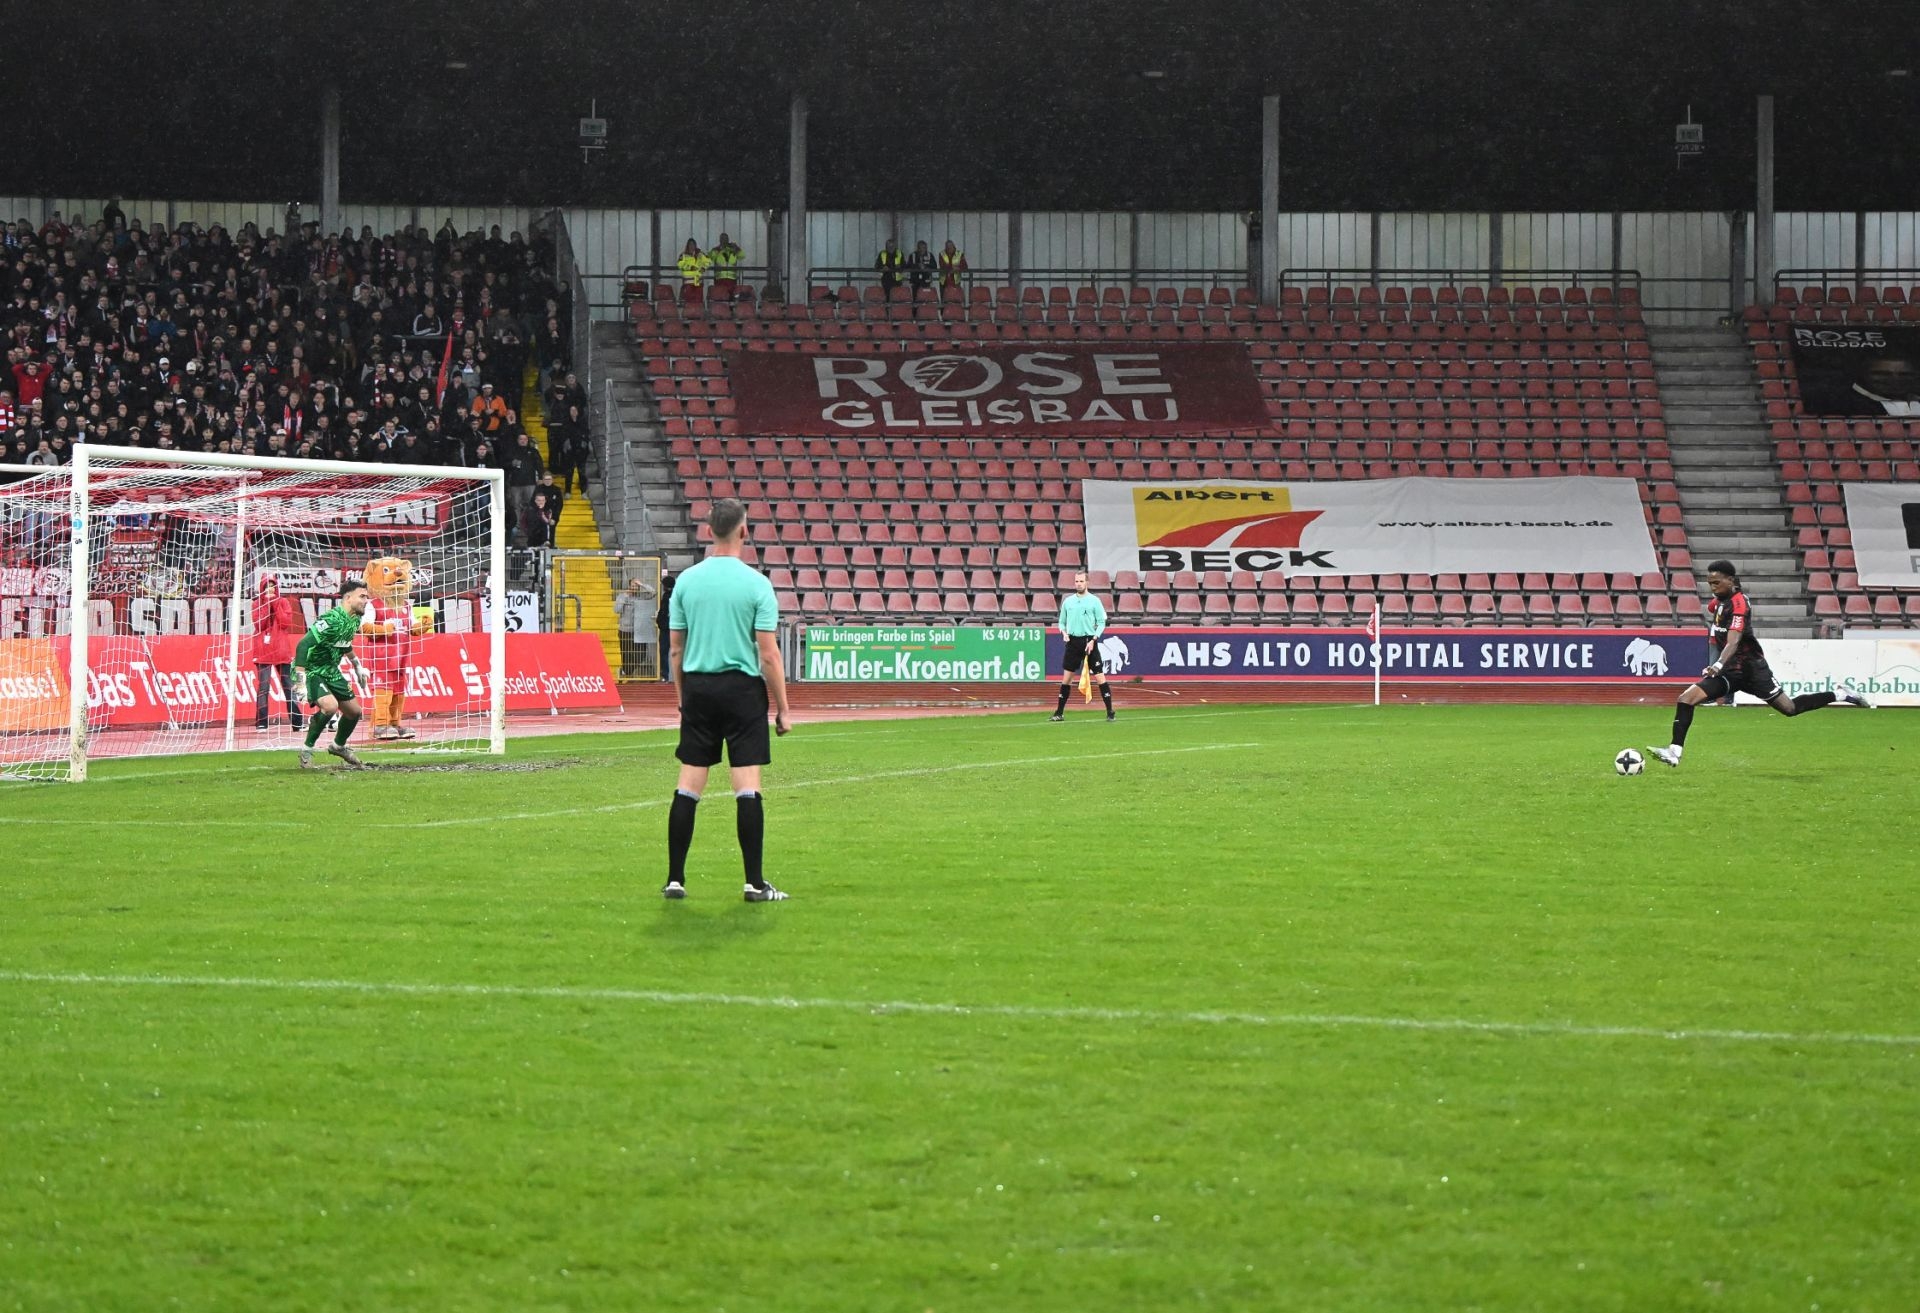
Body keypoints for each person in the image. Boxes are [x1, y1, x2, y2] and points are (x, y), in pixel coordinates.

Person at [663, 499, 793, 903]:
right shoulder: (757, 585)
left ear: (708, 531)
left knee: (689, 783)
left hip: (699, 688)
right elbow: (769, 655)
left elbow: (676, 649)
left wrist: (683, 698)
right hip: (741, 691)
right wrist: (783, 708)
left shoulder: (687, 582)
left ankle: (675, 879)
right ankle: (754, 883)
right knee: (747, 785)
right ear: (744, 531)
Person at [1648, 559, 1870, 768]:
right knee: (1686, 699)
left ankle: (1840, 694)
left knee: (1790, 709)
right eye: (1710, 583)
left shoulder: (1739, 604)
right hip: (1730, 672)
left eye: (1717, 583)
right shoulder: (1718, 604)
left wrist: (1717, 664)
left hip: (1752, 670)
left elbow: (1734, 641)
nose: (1713, 588)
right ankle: (1674, 752)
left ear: (1731, 580)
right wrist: (1719, 664)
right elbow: (1717, 627)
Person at [292, 579, 372, 769]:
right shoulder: (331, 619)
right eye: (362, 596)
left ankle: (338, 746)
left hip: (330, 669)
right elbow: (303, 645)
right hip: (311, 669)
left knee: (354, 712)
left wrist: (357, 665)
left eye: (367, 597)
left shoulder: (355, 618)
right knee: (330, 706)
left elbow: (344, 643)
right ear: (348, 598)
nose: (366, 601)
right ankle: (306, 750)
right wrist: (301, 680)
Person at [1052, 571, 1115, 721]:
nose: (1078, 584)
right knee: (1066, 679)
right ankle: (1059, 713)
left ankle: (1110, 711)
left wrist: (1094, 639)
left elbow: (1101, 623)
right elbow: (1061, 622)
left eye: (1081, 581)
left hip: (1089, 641)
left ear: (1087, 582)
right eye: (1076, 581)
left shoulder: (1094, 601)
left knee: (1099, 676)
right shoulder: (1068, 602)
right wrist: (1064, 633)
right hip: (1073, 642)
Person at [250, 574, 307, 733]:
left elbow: (284, 623)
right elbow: (259, 625)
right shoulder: (256, 604)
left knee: (289, 686)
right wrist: (267, 604)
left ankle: (297, 722)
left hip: (281, 650)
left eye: (272, 586)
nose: (270, 589)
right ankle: (261, 723)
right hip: (263, 650)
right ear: (262, 588)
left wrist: (275, 604)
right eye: (267, 586)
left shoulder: (283, 602)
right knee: (263, 687)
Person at [611, 574, 658, 678]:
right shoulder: (622, 596)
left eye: (636, 586)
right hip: (625, 630)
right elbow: (617, 610)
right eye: (633, 585)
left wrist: (642, 584)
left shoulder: (641, 596)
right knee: (626, 653)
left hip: (639, 630)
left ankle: (629, 670)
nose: (634, 587)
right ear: (629, 586)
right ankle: (627, 673)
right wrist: (625, 597)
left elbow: (654, 592)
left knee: (641, 654)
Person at [676, 239, 711, 304]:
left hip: (698, 281)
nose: (692, 246)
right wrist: (690, 267)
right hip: (688, 281)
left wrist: (703, 268)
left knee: (698, 301)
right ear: (688, 245)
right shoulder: (683, 255)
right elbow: (680, 264)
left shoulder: (700, 254)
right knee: (688, 301)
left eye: (693, 244)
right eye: (690, 244)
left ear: (695, 245)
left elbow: (708, 261)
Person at [654, 571, 675, 681]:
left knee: (664, 651)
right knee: (668, 651)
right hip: (672, 627)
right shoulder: (671, 595)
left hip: (668, 628)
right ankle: (668, 675)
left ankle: (665, 675)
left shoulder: (669, 596)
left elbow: (664, 612)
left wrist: (660, 622)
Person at [709, 232, 743, 297]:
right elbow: (710, 257)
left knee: (731, 298)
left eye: (726, 239)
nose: (724, 241)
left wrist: (737, 248)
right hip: (720, 279)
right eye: (722, 239)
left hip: (732, 279)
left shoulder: (733, 250)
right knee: (720, 297)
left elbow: (742, 256)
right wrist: (719, 250)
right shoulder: (716, 250)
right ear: (720, 240)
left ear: (728, 240)